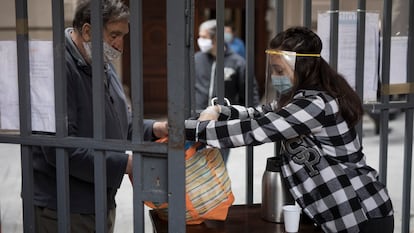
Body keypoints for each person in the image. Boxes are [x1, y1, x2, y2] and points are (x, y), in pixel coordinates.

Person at [186, 26, 394, 233]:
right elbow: (258, 114)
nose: (276, 77)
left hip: (362, 212)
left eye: (280, 71)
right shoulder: (298, 100)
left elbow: (257, 129)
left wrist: (187, 130)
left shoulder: (316, 104)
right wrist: (219, 111)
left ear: (304, 68)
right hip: (337, 214)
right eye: (273, 70)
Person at [32, 0, 168, 232]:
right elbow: (60, 148)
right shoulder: (54, 68)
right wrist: (127, 164)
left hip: (99, 199)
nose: (120, 46)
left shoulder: (101, 63)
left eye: (123, 36)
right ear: (87, 31)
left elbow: (116, 121)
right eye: (114, 35)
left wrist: (154, 128)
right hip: (64, 207)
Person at [195, 19, 260, 163]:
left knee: (219, 167)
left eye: (204, 37)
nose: (200, 40)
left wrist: (250, 120)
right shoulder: (196, 59)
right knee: (195, 170)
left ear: (216, 38)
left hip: (222, 124)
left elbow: (249, 92)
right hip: (197, 121)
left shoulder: (237, 62)